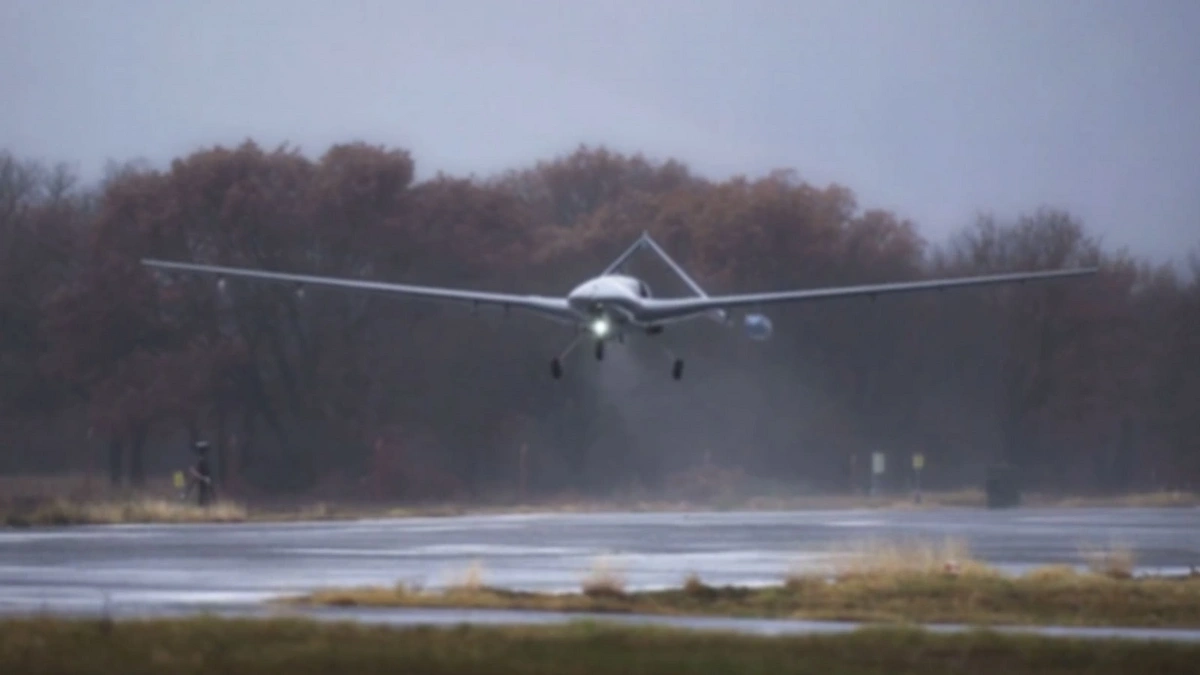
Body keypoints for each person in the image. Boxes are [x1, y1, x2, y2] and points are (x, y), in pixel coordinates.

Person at [187, 440, 214, 507]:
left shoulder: (203, 461)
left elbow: (203, 472)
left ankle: (205, 505)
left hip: (203, 481)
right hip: (203, 481)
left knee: (204, 495)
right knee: (203, 495)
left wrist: (196, 474)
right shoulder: (202, 461)